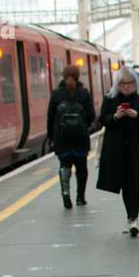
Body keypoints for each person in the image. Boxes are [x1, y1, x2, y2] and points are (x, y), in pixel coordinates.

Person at [96, 67, 139, 237]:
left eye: (130, 83)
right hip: (115, 148)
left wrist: (136, 115)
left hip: (137, 147)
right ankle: (131, 218)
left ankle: (134, 219)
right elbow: (103, 119)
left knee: (134, 183)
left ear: (135, 83)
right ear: (117, 84)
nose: (127, 87)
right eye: (123, 83)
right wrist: (116, 116)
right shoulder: (111, 98)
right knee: (122, 183)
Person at [46, 65, 96, 208]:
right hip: (80, 138)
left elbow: (50, 117)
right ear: (78, 76)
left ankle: (65, 192)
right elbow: (91, 115)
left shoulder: (56, 94)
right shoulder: (84, 93)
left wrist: (51, 136)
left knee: (65, 165)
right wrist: (84, 126)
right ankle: (80, 197)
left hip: (62, 139)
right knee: (82, 168)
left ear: (63, 75)